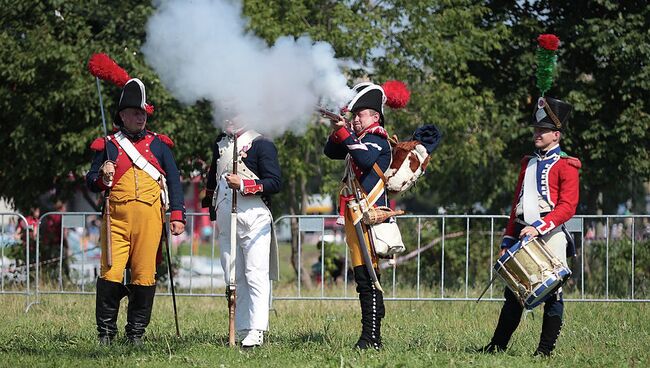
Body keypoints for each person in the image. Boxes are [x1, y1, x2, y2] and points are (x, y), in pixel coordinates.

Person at [86, 78, 186, 345]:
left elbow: (174, 181)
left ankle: (136, 334)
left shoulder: (158, 145)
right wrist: (103, 176)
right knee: (110, 274)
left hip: (150, 220)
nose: (141, 117)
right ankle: (106, 334)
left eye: (143, 112)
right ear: (122, 116)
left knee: (144, 275)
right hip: (115, 220)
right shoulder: (108, 145)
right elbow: (92, 180)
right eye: (135, 113)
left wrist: (177, 215)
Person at [481, 95, 581, 356]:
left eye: (543, 130)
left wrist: (540, 226)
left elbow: (567, 206)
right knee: (514, 292)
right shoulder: (528, 163)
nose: (537, 133)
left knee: (553, 294)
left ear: (556, 135)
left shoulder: (567, 165)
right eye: (537, 129)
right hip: (523, 233)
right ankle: (497, 346)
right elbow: (518, 205)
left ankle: (544, 351)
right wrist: (507, 240)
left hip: (550, 235)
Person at [202, 117, 281, 348]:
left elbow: (275, 182)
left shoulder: (261, 143)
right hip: (227, 219)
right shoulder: (221, 143)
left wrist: (245, 185)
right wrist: (212, 208)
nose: (229, 118)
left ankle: (257, 329)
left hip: (254, 217)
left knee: (255, 273)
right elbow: (212, 179)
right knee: (234, 275)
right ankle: (243, 327)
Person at [323, 82, 392, 350]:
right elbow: (330, 152)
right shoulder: (359, 140)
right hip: (356, 216)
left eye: (360, 114)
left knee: (368, 278)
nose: (356, 119)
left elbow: (364, 161)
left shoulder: (378, 139)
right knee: (363, 277)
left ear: (374, 117)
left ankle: (371, 338)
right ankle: (371, 334)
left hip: (370, 215)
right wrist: (337, 129)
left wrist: (344, 131)